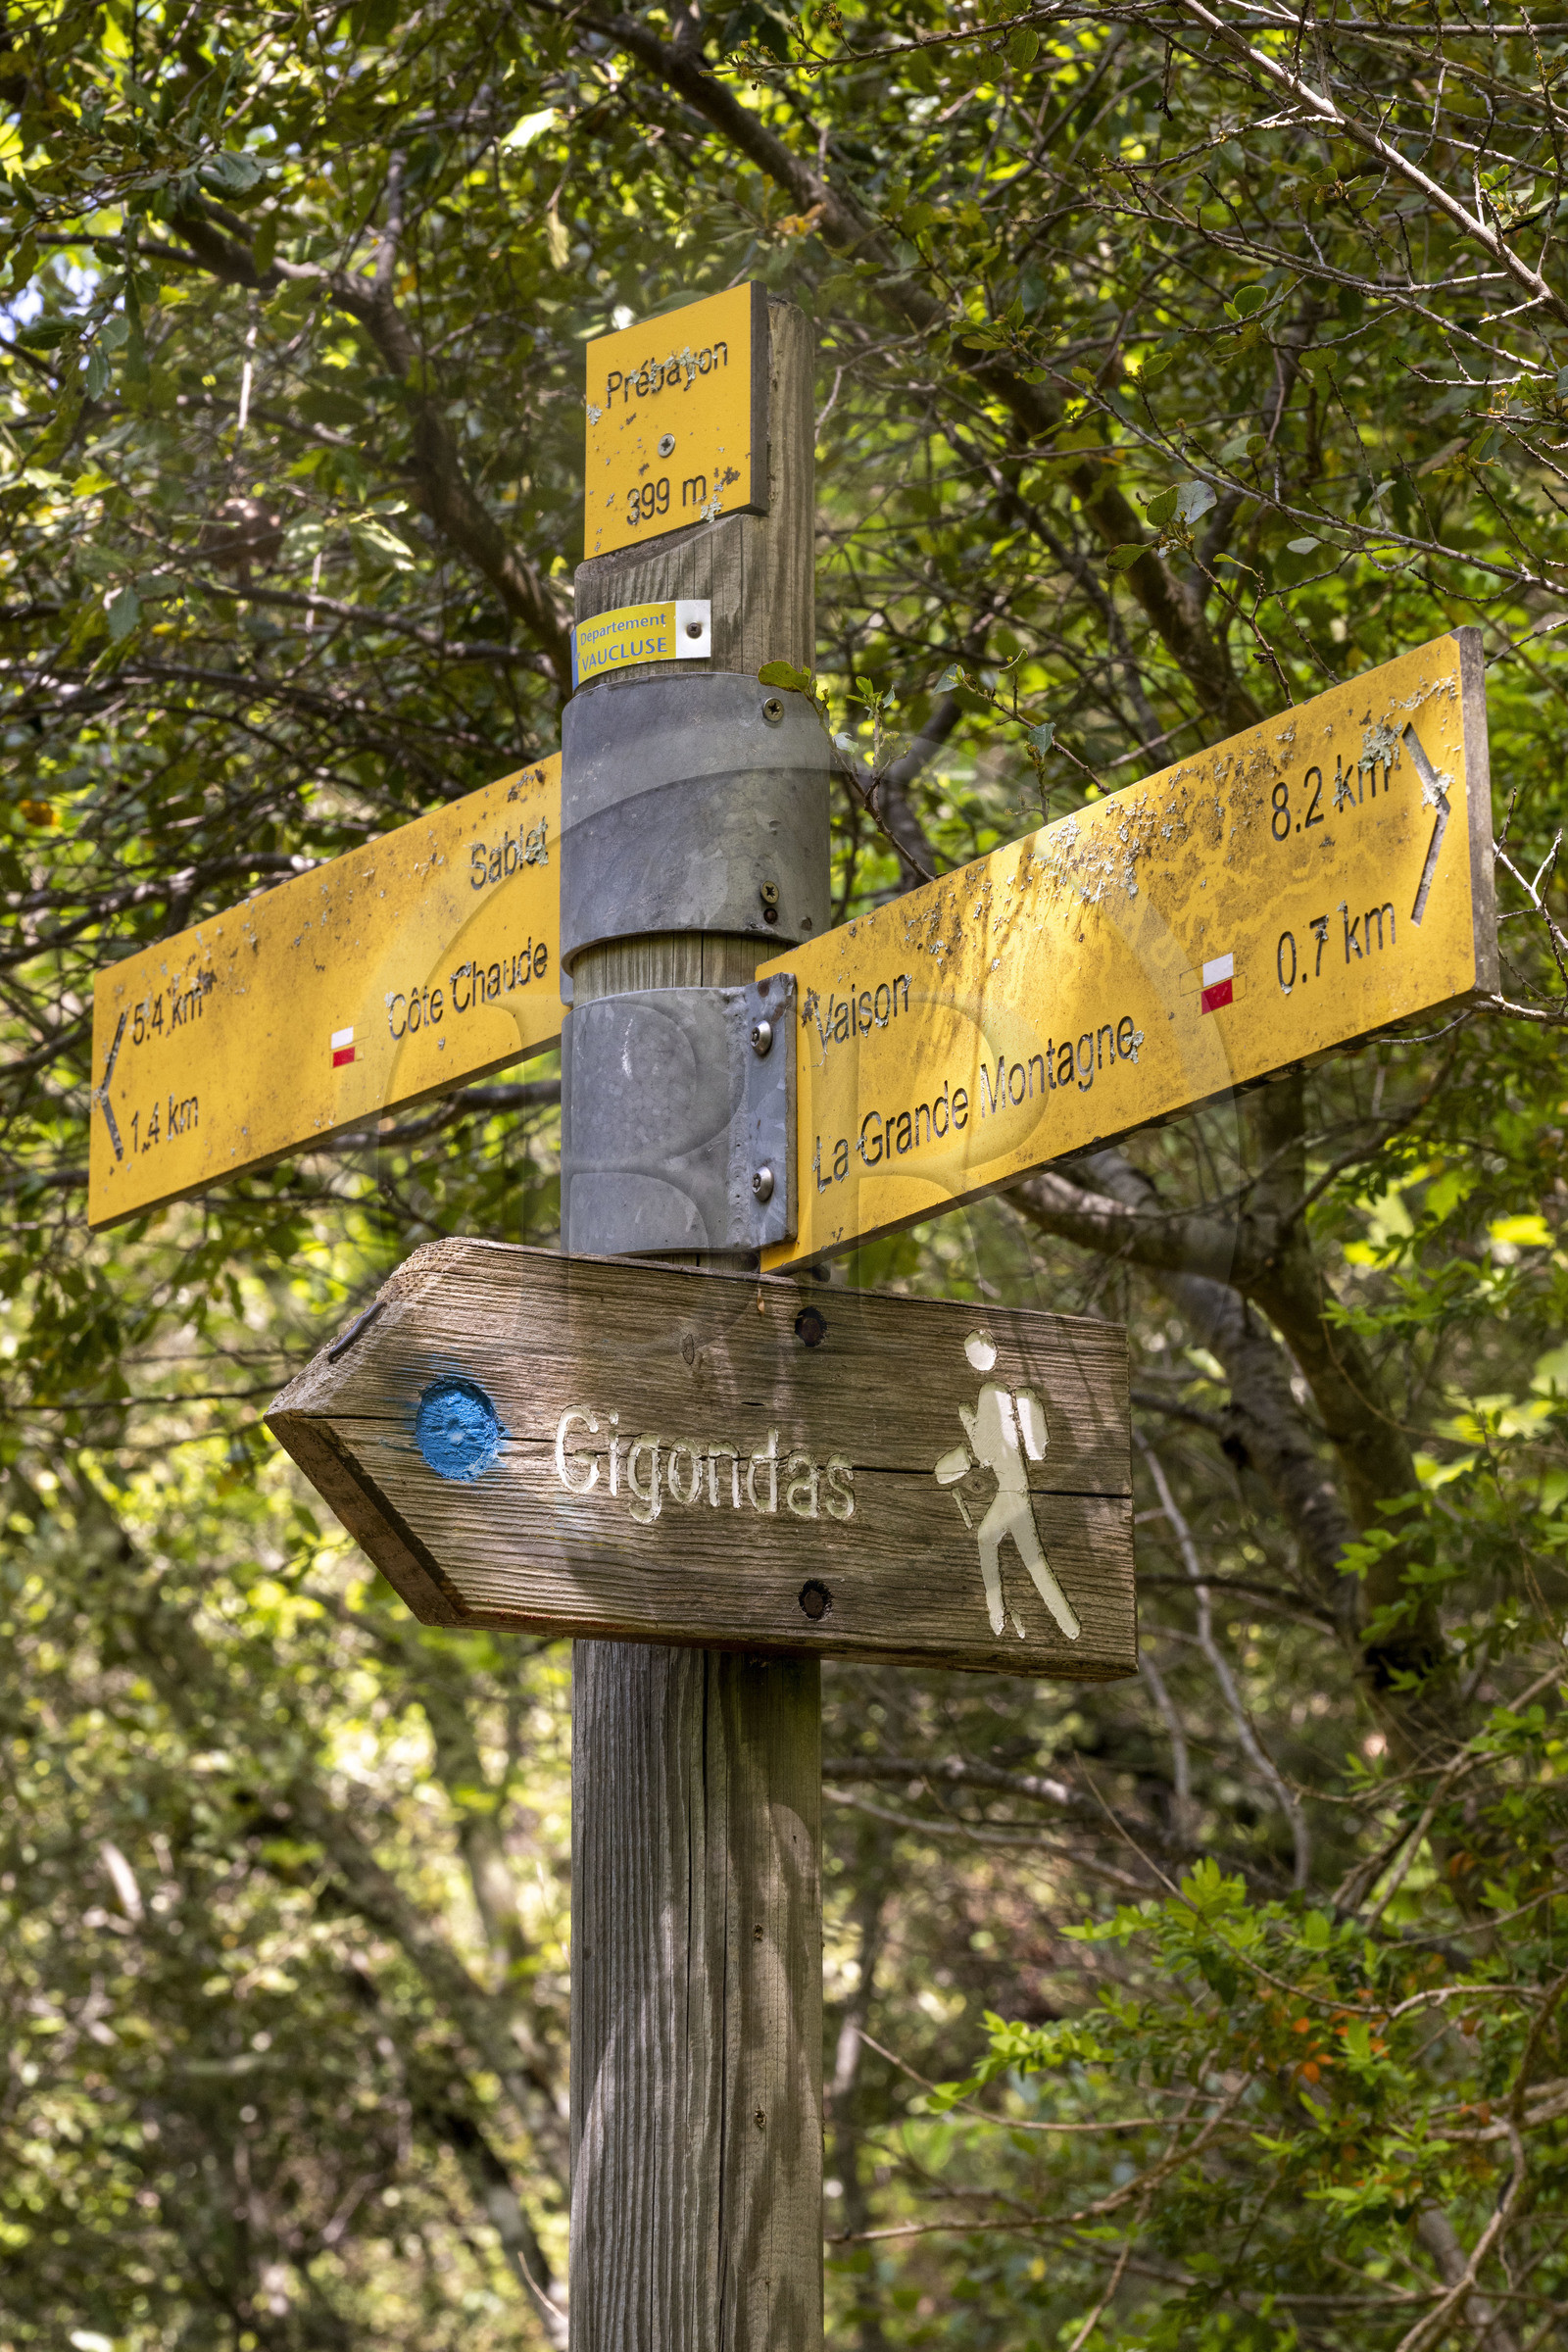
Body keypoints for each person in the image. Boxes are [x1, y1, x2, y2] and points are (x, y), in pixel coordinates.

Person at [934, 1332, 1082, 1642]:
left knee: (1016, 1554)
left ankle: (1006, 1616)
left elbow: (985, 1457)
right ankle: (1013, 1616)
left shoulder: (992, 1402)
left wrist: (970, 1425)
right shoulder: (1009, 1407)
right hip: (1014, 1491)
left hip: (1012, 1494)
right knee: (1013, 1553)